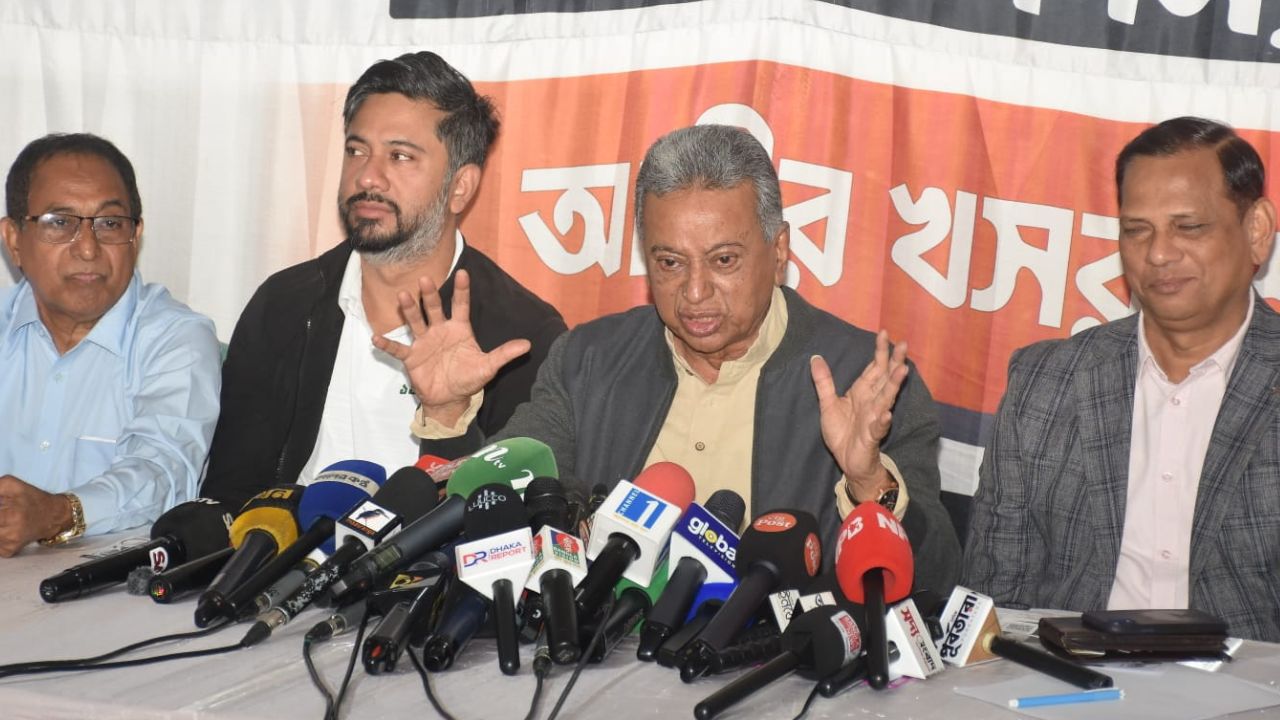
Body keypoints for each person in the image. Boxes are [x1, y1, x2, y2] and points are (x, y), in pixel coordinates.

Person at [383, 124, 961, 592]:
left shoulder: (867, 380)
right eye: (669, 263)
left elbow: (938, 581)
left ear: (779, 249)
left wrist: (867, 481)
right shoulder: (588, 360)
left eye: (724, 260)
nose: (695, 292)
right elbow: (497, 513)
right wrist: (451, 419)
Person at [200, 52, 565, 510]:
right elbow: (229, 497)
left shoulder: (521, 337)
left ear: (460, 187)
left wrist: (449, 415)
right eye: (357, 150)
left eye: (399, 156)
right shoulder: (284, 304)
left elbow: (503, 525)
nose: (368, 176)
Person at [963, 117, 1280, 641]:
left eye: (1188, 227)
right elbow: (993, 605)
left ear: (1257, 231)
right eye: (1137, 230)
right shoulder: (1046, 383)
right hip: (1069, 678)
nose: (1158, 253)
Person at [0, 133, 221, 557]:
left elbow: (163, 471)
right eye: (59, 222)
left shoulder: (177, 340)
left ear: (135, 236)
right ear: (14, 241)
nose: (88, 248)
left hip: (113, 585)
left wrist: (59, 514)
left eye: (110, 223)